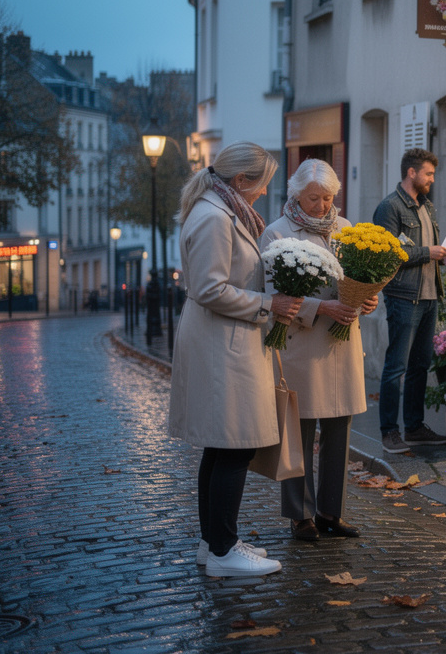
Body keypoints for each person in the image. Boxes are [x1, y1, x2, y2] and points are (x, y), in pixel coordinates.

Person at [169, 141, 302, 578]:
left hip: (224, 341)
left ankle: (215, 543)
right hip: (221, 343)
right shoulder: (213, 216)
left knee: (223, 443)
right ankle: (224, 551)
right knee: (235, 444)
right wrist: (269, 304)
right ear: (240, 180)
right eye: (260, 184)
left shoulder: (221, 210)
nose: (264, 193)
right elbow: (209, 288)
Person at [260, 159, 377, 543]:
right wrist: (322, 307)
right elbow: (275, 296)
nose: (322, 206)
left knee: (339, 432)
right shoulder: (277, 233)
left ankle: (331, 512)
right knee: (299, 431)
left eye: (328, 197)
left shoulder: (345, 230)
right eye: (314, 198)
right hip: (303, 346)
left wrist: (367, 299)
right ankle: (301, 515)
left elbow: (358, 278)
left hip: (342, 344)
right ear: (296, 193)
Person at [373, 148, 446, 454]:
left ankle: (414, 428)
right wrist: (430, 253)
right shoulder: (390, 207)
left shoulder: (427, 207)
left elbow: (430, 250)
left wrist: (445, 257)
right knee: (396, 367)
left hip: (429, 296)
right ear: (411, 172)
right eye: (429, 174)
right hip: (403, 297)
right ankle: (388, 432)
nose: (432, 180)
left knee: (420, 366)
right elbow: (386, 253)